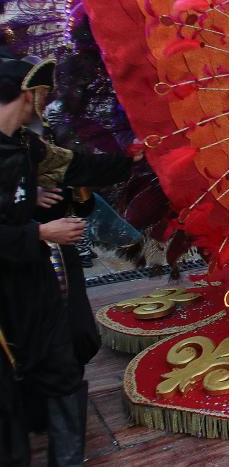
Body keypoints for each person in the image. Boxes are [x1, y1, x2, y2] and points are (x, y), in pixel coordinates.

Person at [0, 49, 135, 466]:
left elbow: (75, 167)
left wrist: (127, 160)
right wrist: (40, 231)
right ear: (29, 93)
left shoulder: (26, 144)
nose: (47, 101)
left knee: (61, 364)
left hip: (33, 280)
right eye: (43, 92)